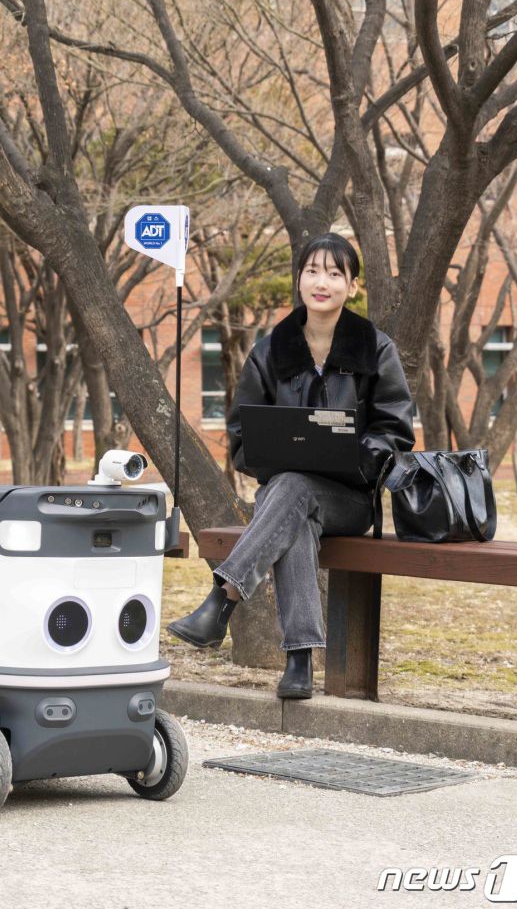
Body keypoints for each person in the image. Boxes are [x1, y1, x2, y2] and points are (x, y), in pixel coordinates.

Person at [167, 233, 415, 699]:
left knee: (293, 491)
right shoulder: (269, 351)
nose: (322, 282)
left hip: (350, 499)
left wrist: (356, 457)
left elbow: (395, 431)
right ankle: (298, 661)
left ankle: (223, 598)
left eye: (335, 274)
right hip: (285, 496)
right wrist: (275, 456)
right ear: (299, 280)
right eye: (312, 271)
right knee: (294, 498)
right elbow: (242, 435)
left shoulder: (374, 349)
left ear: (352, 286)